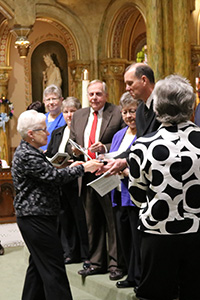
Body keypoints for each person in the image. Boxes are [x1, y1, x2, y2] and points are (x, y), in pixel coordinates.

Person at [11, 109, 103, 300]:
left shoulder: (29, 150)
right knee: (54, 268)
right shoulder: (28, 154)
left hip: (35, 216)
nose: (48, 133)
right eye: (43, 130)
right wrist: (84, 168)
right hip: (36, 217)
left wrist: (66, 167)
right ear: (31, 134)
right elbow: (53, 177)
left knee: (37, 267)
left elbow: (46, 173)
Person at [128, 74, 200, 300]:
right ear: (191, 105)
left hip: (158, 231)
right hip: (197, 231)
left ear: (157, 107)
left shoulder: (142, 145)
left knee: (155, 294)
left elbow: (137, 194)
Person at [69, 80, 125, 280]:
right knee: (92, 221)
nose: (94, 98)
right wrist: (74, 150)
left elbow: (126, 140)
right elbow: (72, 143)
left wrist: (106, 148)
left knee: (112, 221)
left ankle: (116, 264)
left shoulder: (117, 113)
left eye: (98, 94)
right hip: (86, 175)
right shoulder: (79, 115)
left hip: (108, 174)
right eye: (91, 94)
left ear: (106, 95)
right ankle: (96, 263)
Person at [46, 97, 90, 266]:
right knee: (64, 217)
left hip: (78, 179)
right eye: (66, 111)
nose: (69, 115)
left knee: (81, 217)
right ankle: (70, 252)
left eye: (73, 111)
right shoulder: (58, 132)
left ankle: (85, 252)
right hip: (61, 179)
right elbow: (50, 153)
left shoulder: (83, 131)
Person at [96, 62, 160, 176]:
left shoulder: (163, 104)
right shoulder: (140, 109)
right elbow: (139, 145)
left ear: (144, 80)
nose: (127, 88)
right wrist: (114, 161)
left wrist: (125, 161)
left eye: (130, 83)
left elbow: (156, 144)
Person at [108, 92, 141, 289]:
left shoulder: (143, 134)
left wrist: (126, 170)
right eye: (125, 112)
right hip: (118, 191)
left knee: (137, 238)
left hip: (134, 193)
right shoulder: (118, 135)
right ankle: (130, 274)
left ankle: (139, 277)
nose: (129, 116)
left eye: (133, 111)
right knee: (124, 237)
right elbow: (112, 158)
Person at [40, 84, 66, 151]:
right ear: (44, 101)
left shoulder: (66, 118)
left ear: (61, 100)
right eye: (48, 99)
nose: (51, 102)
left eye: (54, 99)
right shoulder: (41, 119)